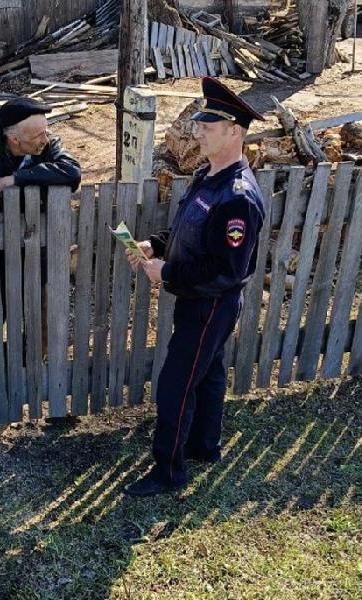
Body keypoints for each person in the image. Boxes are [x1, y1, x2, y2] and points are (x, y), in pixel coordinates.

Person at [123, 77, 266, 497]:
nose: (197, 130)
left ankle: (168, 472)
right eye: (199, 123)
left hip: (209, 305)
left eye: (208, 125)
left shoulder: (238, 196)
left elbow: (224, 270)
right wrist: (157, 244)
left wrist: (165, 273)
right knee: (208, 374)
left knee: (176, 385)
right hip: (199, 303)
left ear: (234, 132)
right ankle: (206, 446)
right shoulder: (209, 174)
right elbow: (192, 229)